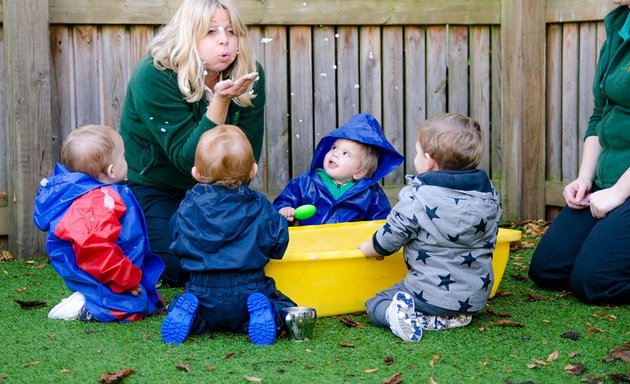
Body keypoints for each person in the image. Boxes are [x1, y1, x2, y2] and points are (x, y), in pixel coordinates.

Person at [118, 0, 265, 287]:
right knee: (177, 267)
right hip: (159, 186)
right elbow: (188, 160)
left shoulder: (248, 72)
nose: (224, 40)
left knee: (261, 250)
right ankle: (128, 237)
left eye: (231, 31)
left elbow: (247, 153)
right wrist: (221, 101)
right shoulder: (155, 74)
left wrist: (230, 212)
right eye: (210, 32)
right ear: (188, 34)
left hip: (222, 189)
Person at [359, 113, 502, 342]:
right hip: (475, 297)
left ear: (429, 160)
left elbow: (393, 234)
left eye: (417, 153)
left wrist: (371, 248)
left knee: (376, 302)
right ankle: (449, 319)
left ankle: (403, 316)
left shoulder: (418, 196)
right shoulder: (488, 196)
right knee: (448, 301)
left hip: (428, 293)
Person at [528, 1, 630, 304]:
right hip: (611, 181)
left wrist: (619, 192)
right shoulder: (619, 26)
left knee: (596, 283)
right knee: (548, 269)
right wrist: (585, 178)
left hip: (625, 186)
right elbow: (601, 112)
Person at [161, 125, 295, 345]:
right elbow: (278, 244)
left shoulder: (188, 206)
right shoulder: (259, 206)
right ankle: (263, 312)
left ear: (196, 173)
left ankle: (188, 312)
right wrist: (279, 220)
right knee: (283, 307)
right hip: (249, 288)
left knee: (192, 312)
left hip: (202, 290)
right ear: (253, 170)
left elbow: (176, 240)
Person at [32, 125, 165, 322]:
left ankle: (96, 296)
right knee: (130, 310)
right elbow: (95, 249)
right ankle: (84, 308)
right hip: (104, 273)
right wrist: (126, 279)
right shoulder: (99, 201)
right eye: (123, 157)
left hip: (105, 270)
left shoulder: (91, 194)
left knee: (144, 302)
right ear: (111, 170)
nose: (126, 161)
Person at [273, 113, 403, 225]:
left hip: (348, 249)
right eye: (334, 148)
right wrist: (285, 210)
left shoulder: (371, 194)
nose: (335, 153)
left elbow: (382, 223)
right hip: (311, 247)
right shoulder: (305, 183)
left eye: (345, 154)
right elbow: (283, 202)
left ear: (359, 172)